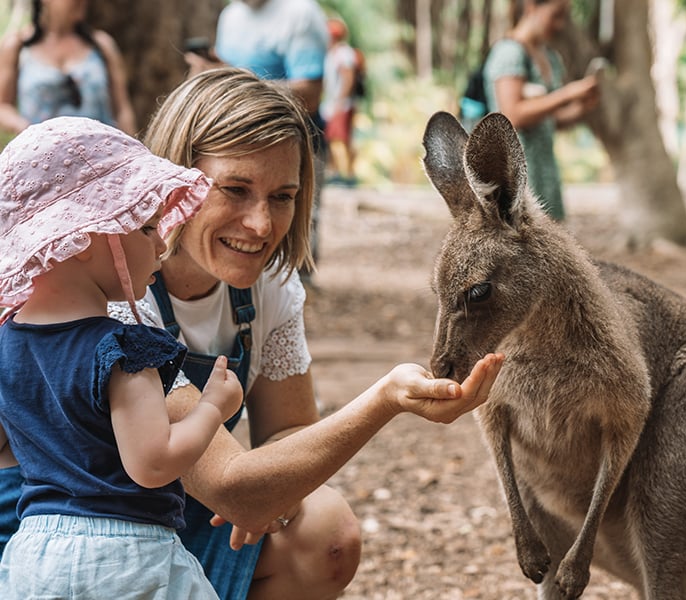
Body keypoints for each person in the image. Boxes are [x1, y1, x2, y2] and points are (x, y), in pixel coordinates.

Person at [0, 67, 505, 600]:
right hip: (65, 536)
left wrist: (275, 489)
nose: (261, 225)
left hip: (162, 522)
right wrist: (382, 401)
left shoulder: (268, 290)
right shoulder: (113, 306)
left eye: (283, 196)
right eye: (235, 190)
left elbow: (286, 431)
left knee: (325, 533)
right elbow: (205, 479)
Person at [0, 116, 243, 597]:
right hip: (128, 558)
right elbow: (153, 463)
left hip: (32, 559)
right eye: (147, 226)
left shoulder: (7, 341)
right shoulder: (123, 347)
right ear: (87, 237)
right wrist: (214, 408)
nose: (161, 243)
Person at [204, 0, 330, 281]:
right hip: (236, 142)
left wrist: (242, 86)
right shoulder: (231, 15)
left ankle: (297, 282)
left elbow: (310, 93)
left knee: (301, 216)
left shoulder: (300, 13)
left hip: (297, 141)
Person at [482, 0, 599, 222]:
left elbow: (550, 120)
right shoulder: (509, 53)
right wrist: (567, 94)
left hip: (545, 170)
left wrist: (580, 108)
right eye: (555, 15)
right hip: (515, 172)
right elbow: (512, 115)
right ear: (531, 7)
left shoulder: (550, 57)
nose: (560, 25)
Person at [0, 0, 136, 135]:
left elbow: (122, 110)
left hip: (101, 151)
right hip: (43, 150)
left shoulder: (101, 45)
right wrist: (26, 128)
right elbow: (2, 106)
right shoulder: (18, 46)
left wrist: (133, 149)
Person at [322, 16, 359, 187]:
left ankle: (349, 174)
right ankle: (335, 171)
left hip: (341, 103)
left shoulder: (344, 53)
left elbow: (348, 77)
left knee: (342, 139)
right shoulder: (332, 53)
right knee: (331, 138)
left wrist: (340, 100)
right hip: (333, 102)